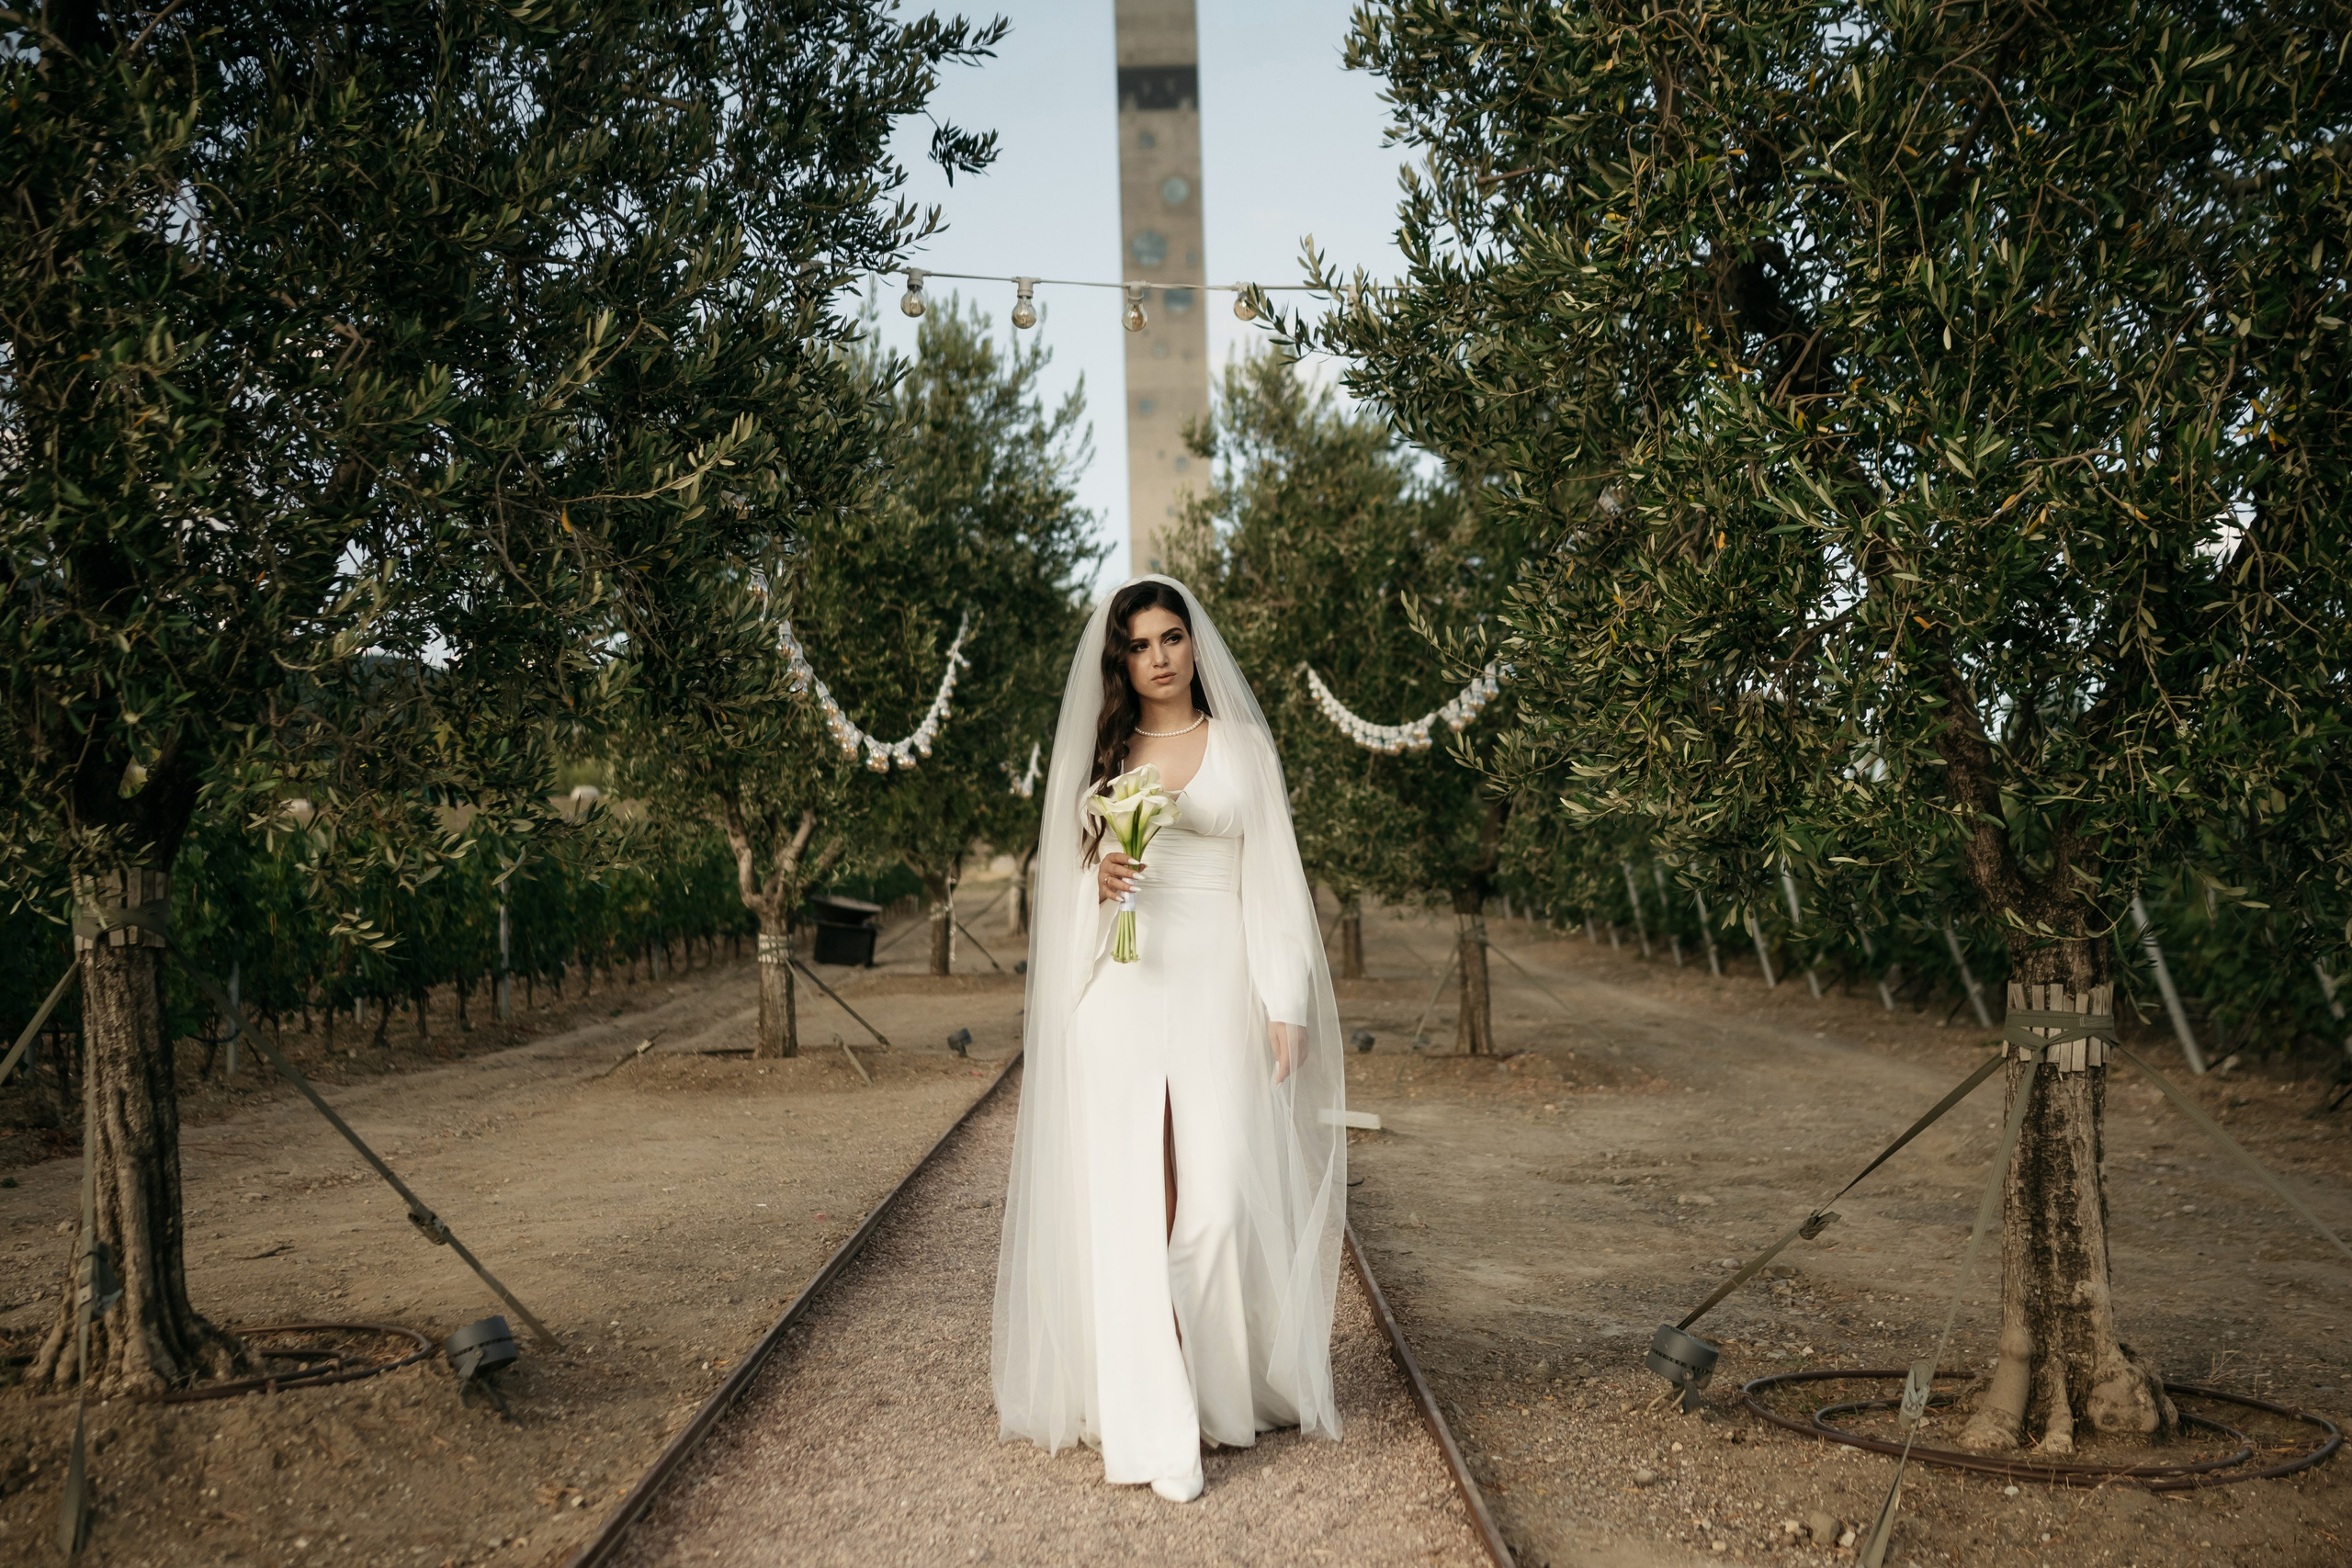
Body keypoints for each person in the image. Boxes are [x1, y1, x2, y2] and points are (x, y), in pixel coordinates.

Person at [992, 575, 1348, 1503]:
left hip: (1218, 989)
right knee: (1127, 1212)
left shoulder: (1242, 750)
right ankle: (1156, 1425)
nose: (1157, 657)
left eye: (1171, 638)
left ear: (1194, 646)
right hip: (1121, 994)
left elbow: (1274, 879)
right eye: (1139, 645)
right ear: (1121, 662)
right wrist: (1098, 878)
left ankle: (1222, 1394)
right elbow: (1069, 891)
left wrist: (1286, 1002)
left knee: (1221, 1203)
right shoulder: (1105, 760)